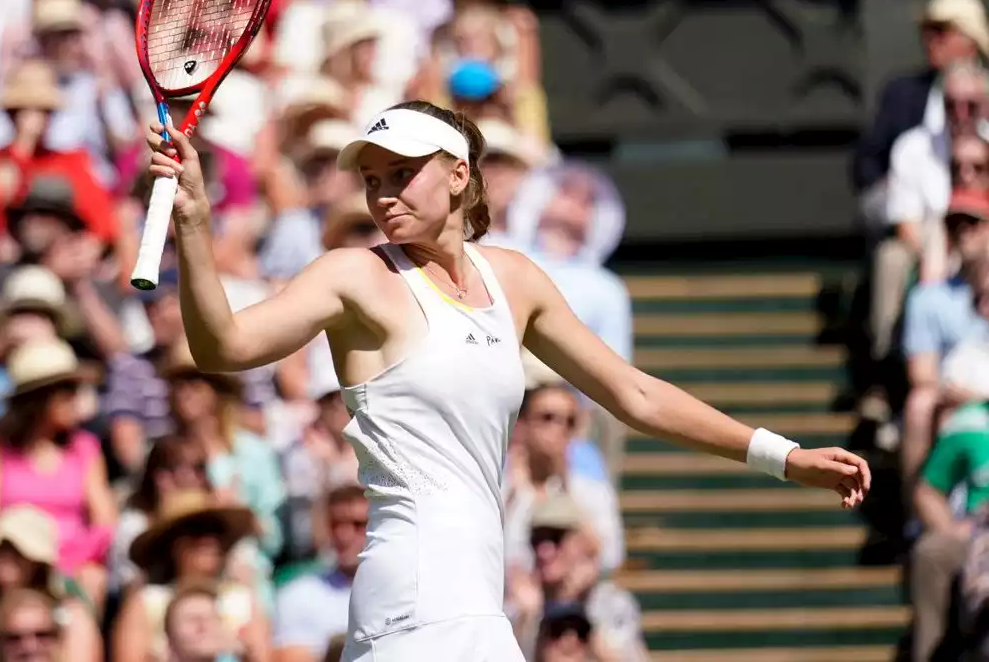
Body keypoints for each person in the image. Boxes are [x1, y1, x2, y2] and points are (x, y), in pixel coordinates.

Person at [145, 99, 873, 661]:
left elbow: (635, 394)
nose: (383, 194)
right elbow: (224, 345)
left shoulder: (515, 280)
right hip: (419, 592)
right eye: (372, 180)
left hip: (465, 598)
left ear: (459, 173)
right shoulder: (355, 276)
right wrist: (197, 226)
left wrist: (783, 455)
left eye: (403, 172)